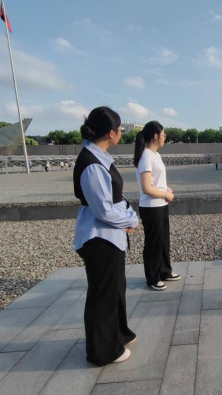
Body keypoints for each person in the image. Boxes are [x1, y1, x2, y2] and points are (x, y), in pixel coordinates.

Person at [73, 106, 139, 366]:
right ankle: (102, 351)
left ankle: (118, 334)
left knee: (115, 290)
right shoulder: (92, 164)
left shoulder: (98, 156)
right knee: (103, 294)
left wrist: (128, 214)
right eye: (120, 129)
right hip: (99, 238)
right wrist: (131, 219)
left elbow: (114, 199)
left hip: (109, 235)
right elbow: (103, 210)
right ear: (111, 133)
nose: (121, 133)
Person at [133, 121, 180, 291]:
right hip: (151, 206)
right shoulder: (146, 157)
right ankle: (152, 278)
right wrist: (166, 194)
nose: (164, 137)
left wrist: (166, 189)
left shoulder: (155, 155)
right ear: (155, 136)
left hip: (160, 204)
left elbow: (156, 182)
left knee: (163, 240)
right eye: (163, 134)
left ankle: (164, 271)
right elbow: (146, 188)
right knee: (153, 243)